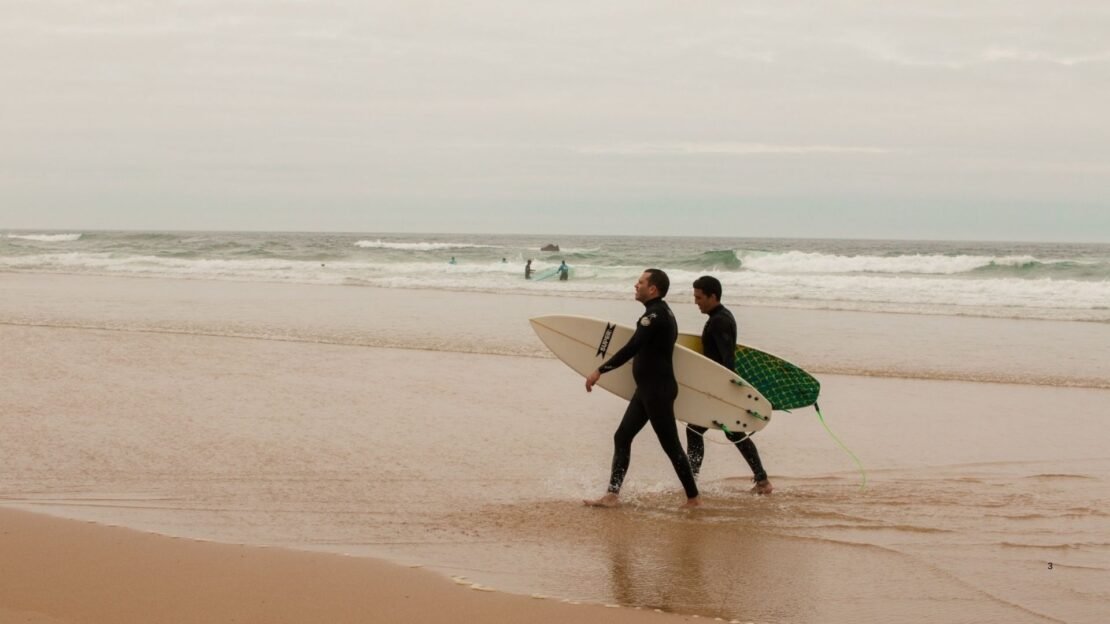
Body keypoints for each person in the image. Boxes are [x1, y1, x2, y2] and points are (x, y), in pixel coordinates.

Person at [584, 269, 701, 508]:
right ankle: (612, 495)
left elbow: (632, 347)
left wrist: (600, 370)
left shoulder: (655, 316)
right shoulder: (660, 312)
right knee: (622, 436)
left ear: (653, 289)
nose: (636, 286)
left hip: (657, 391)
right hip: (648, 390)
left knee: (671, 446)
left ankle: (693, 499)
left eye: (640, 282)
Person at [686, 275, 773, 495]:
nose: (696, 302)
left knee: (695, 429)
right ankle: (762, 480)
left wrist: (726, 392)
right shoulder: (719, 317)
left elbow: (727, 359)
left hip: (720, 388)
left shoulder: (720, 321)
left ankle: (691, 482)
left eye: (699, 297)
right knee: (730, 433)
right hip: (718, 387)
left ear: (712, 296)